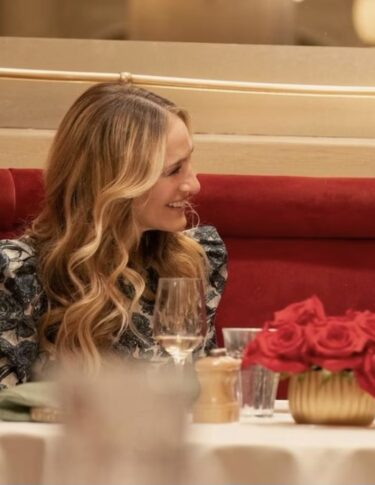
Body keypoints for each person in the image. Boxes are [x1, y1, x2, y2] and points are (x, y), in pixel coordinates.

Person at [0, 82, 227, 387]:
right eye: (174, 170)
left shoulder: (191, 260)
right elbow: (8, 405)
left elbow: (201, 396)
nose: (194, 185)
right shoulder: (19, 275)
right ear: (116, 181)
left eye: (189, 163)